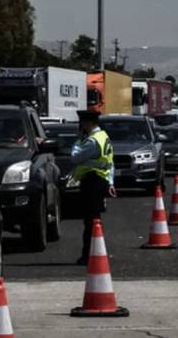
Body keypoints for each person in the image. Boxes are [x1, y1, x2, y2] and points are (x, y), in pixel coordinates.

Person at [71, 109, 115, 265]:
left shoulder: (91, 141)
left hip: (92, 182)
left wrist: (77, 142)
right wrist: (110, 182)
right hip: (101, 180)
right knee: (95, 219)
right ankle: (97, 251)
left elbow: (75, 158)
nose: (81, 125)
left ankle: (88, 255)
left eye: (82, 122)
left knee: (90, 221)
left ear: (88, 123)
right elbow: (110, 163)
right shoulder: (104, 137)